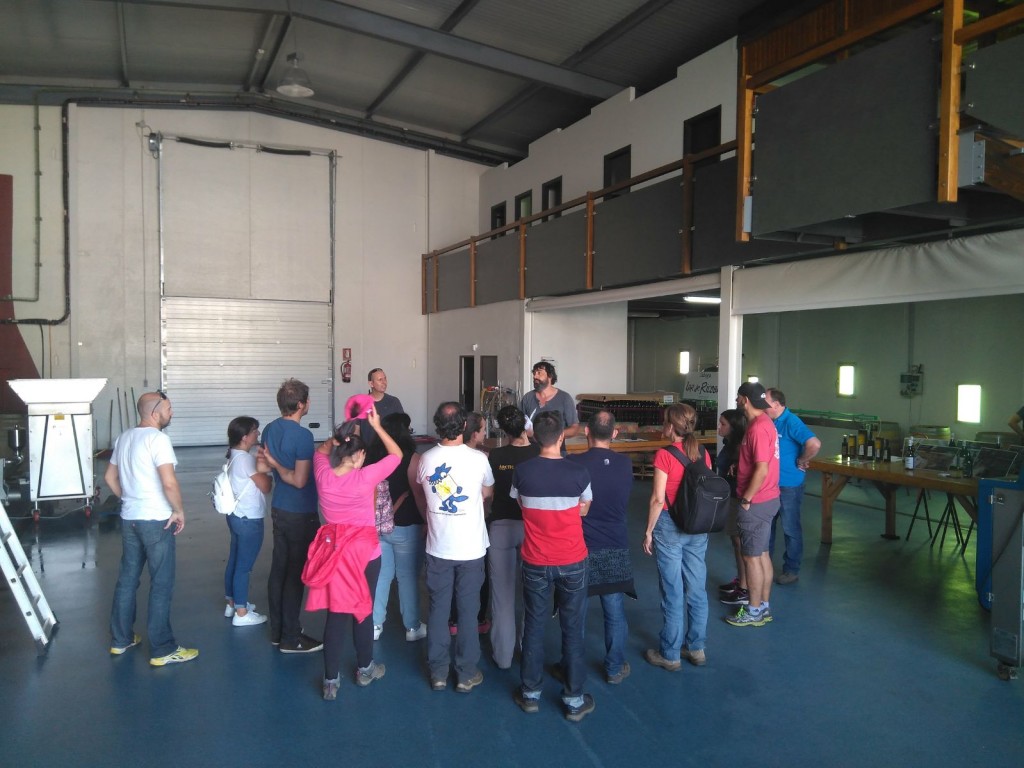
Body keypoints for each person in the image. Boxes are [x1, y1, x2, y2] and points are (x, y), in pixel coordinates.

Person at [304, 408, 401, 700]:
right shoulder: (365, 478)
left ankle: (330, 680)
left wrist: (338, 437)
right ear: (359, 456)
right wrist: (377, 426)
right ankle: (365, 668)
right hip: (365, 555)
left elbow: (320, 452)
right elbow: (396, 455)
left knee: (336, 615)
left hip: (335, 555)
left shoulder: (323, 475)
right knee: (363, 609)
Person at [511, 412, 595, 723]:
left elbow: (521, 505)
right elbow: (584, 509)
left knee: (533, 624)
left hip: (535, 559)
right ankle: (574, 699)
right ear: (562, 437)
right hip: (572, 559)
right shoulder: (579, 472)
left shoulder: (522, 471)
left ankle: (530, 693)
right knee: (572, 627)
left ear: (535, 436)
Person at [105, 391, 197, 666]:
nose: (172, 412)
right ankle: (163, 649)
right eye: (169, 408)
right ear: (155, 413)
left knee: (127, 580)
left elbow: (109, 477)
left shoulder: (124, 438)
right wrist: (178, 510)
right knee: (161, 583)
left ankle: (121, 640)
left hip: (130, 518)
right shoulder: (158, 439)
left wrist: (129, 499)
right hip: (156, 520)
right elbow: (169, 482)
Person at [417, 402, 494, 693]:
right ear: (464, 425)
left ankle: (438, 673)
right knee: (468, 610)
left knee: (438, 609)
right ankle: (465, 674)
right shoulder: (479, 459)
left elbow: (423, 489)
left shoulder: (426, 459)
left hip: (438, 546)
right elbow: (488, 491)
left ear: (437, 425)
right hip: (471, 548)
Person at [642, 403, 711, 671]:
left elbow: (658, 499)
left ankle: (670, 654)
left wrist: (648, 531)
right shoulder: (702, 452)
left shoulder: (665, 455)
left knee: (672, 590)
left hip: (669, 525)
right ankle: (696, 648)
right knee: (697, 588)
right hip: (697, 525)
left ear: (670, 426)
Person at [567, 410, 635, 683]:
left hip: (580, 545)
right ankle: (614, 667)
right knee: (614, 608)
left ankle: (572, 667)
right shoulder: (625, 464)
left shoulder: (574, 464)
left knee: (576, 611)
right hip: (615, 543)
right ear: (615, 434)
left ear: (586, 431)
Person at [261, 378, 322, 653]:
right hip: (300, 511)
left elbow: (264, 466)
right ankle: (291, 637)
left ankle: (278, 631)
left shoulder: (269, 429)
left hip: (279, 508)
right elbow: (299, 480)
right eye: (307, 400)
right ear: (300, 405)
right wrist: (278, 465)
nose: (308, 404)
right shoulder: (302, 436)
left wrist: (275, 464)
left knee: (279, 569)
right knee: (295, 575)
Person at [485, 406, 540, 669]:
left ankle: (503, 657)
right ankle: (528, 651)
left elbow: (488, 494)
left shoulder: (496, 455)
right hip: (533, 529)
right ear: (526, 426)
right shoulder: (540, 453)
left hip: (501, 528)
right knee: (532, 594)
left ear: (504, 431)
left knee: (502, 596)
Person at [367, 412, 428, 643]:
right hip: (406, 525)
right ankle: (412, 627)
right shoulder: (412, 458)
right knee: (407, 576)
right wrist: (427, 521)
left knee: (382, 575)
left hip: (378, 526)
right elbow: (419, 495)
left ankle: (374, 625)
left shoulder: (370, 456)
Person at [726, 382, 780, 628]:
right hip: (769, 498)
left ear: (744, 400)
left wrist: (746, 499)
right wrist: (741, 466)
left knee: (751, 558)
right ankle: (764, 605)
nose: (737, 401)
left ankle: (754, 610)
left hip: (756, 502)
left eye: (738, 398)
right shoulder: (765, 422)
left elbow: (762, 469)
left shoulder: (757, 427)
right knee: (763, 554)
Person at [765, 388, 821, 585]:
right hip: (770, 484)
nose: (763, 406)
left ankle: (791, 569)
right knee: (768, 527)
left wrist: (802, 460)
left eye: (766, 402)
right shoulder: (769, 421)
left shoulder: (791, 421)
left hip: (789, 485)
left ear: (777, 404)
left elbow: (814, 444)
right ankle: (765, 566)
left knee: (790, 528)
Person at [222, 416, 272, 626]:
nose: (258, 433)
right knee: (244, 566)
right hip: (249, 519)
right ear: (244, 437)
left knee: (235, 560)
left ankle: (232, 603)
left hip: (236, 516)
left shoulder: (234, 456)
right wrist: (269, 469)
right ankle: (241, 613)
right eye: (254, 431)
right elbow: (265, 486)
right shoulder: (246, 460)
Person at [448, 410, 491, 636]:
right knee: (477, 579)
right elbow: (488, 492)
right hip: (473, 532)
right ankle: (479, 619)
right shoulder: (481, 458)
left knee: (451, 580)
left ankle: (453, 621)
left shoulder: (441, 455)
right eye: (483, 429)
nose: (485, 433)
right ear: (474, 434)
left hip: (448, 531)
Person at [717, 409, 751, 606]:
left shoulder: (739, 447)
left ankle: (744, 589)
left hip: (738, 498)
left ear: (734, 427)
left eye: (723, 424)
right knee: (736, 543)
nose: (719, 427)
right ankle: (741, 580)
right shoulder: (729, 444)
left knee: (740, 544)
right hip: (731, 497)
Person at [520, 361, 580, 438]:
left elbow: (574, 428)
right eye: (534, 373)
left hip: (556, 445)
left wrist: (552, 436)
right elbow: (519, 424)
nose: (535, 376)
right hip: (531, 445)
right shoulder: (528, 398)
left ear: (550, 376)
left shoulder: (565, 398)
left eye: (539, 373)